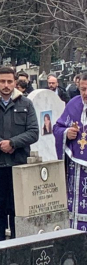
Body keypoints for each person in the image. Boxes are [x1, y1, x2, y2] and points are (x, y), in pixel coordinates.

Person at [0, 65, 39, 241]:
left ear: (15, 82)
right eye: (2, 81)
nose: (6, 85)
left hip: (19, 163)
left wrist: (13, 143)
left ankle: (17, 243)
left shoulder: (25, 103)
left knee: (17, 207)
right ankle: (0, 243)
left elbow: (34, 132)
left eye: (10, 81)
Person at [53, 71, 87, 230]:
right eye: (83, 89)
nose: (85, 93)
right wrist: (67, 133)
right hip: (76, 168)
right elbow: (57, 127)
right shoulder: (73, 104)